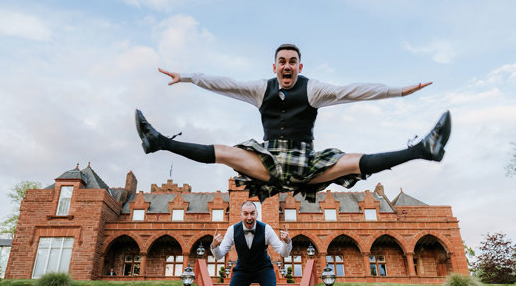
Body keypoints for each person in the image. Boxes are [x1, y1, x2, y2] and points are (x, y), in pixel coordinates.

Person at [135, 43, 451, 202]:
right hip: (269, 161)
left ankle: (425, 149)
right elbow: (224, 83)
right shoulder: (260, 89)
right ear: (275, 66)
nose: (287, 66)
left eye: (292, 62)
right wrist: (188, 77)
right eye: (282, 62)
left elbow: (352, 92)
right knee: (226, 152)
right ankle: (157, 141)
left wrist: (398, 91)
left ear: (300, 66)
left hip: (307, 163)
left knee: (354, 162)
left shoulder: (313, 89)